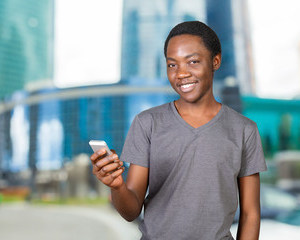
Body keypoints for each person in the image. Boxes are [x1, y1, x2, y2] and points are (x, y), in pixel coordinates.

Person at [90, 21, 267, 240]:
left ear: (215, 61)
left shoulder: (244, 130)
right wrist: (117, 186)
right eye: (172, 65)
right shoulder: (147, 123)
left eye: (192, 62)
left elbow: (251, 213)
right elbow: (130, 211)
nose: (181, 73)